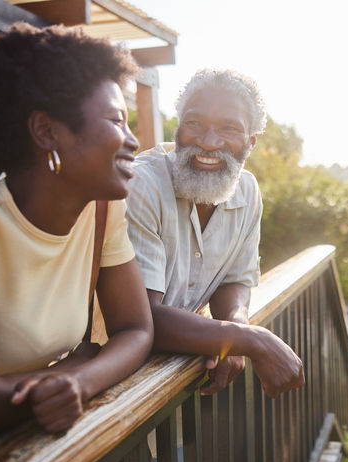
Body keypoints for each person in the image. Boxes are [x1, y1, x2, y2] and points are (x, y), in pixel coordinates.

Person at [0, 23, 153, 462]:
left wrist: (76, 380)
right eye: (117, 120)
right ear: (46, 131)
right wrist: (65, 375)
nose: (133, 140)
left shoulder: (101, 213)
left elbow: (137, 329)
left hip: (31, 429)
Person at [125, 69, 304, 397]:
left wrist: (234, 325)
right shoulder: (141, 186)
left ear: (250, 142)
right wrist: (248, 340)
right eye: (195, 123)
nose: (209, 142)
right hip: (110, 382)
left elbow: (234, 278)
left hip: (172, 379)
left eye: (229, 128)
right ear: (178, 128)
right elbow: (140, 316)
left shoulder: (247, 190)